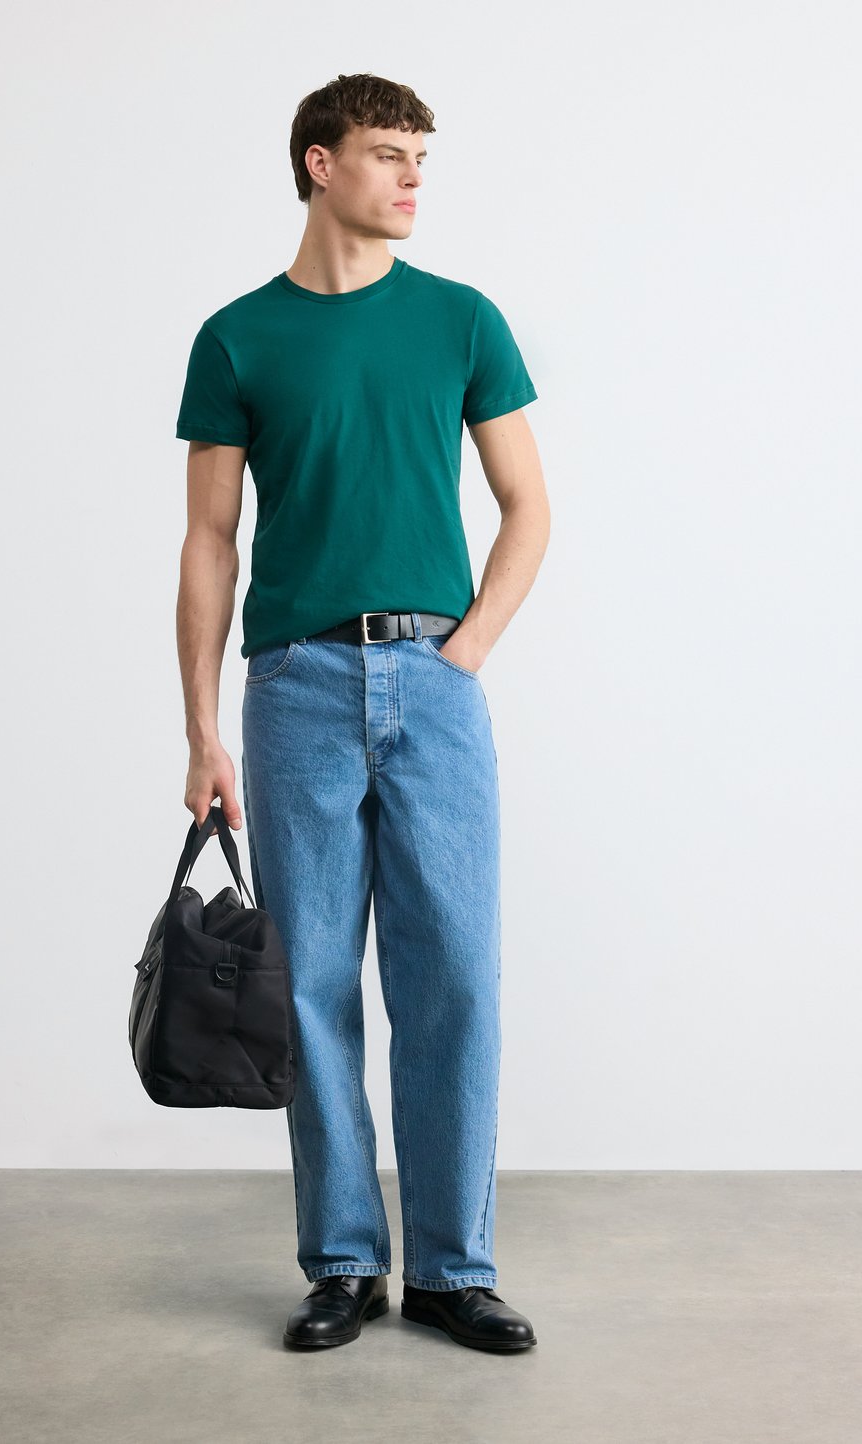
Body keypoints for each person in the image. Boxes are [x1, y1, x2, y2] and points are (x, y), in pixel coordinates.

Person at [174, 72, 550, 1353]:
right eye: (389, 153)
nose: (412, 177)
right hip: (296, 688)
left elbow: (528, 506)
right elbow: (210, 542)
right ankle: (344, 1260)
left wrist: (464, 652)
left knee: (455, 978)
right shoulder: (237, 339)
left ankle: (451, 1268)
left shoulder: (461, 320)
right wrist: (201, 727)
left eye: (420, 156)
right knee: (314, 982)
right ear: (319, 163)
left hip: (434, 682)